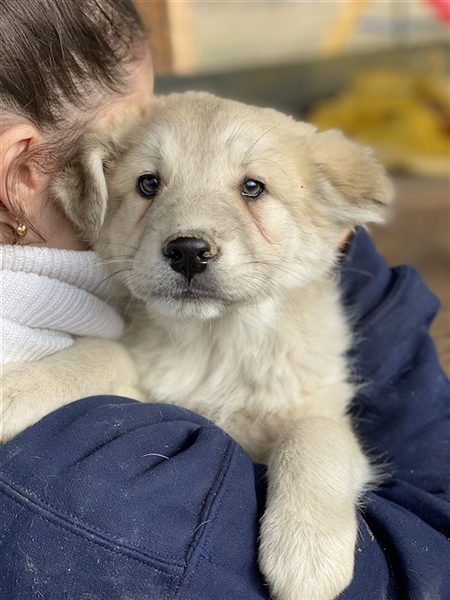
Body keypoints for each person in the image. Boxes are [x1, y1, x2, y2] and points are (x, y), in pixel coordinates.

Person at [0, 1, 449, 599]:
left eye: (252, 187)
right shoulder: (94, 504)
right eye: (150, 184)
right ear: (22, 167)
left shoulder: (73, 298)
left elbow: (315, 420)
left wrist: (314, 466)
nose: (189, 234)